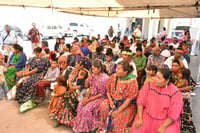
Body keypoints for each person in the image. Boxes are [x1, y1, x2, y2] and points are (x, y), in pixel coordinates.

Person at [130, 68, 183, 133]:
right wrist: (140, 118)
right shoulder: (149, 85)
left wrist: (163, 126)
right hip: (146, 116)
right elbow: (140, 102)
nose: (155, 79)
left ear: (167, 81)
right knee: (136, 129)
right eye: (156, 76)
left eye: (159, 78)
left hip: (165, 121)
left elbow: (174, 113)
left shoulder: (175, 93)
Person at [98, 61, 138, 132]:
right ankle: (105, 127)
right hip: (113, 100)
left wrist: (118, 111)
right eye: (116, 68)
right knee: (103, 106)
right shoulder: (114, 76)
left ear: (125, 72)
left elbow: (129, 99)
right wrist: (110, 101)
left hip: (126, 105)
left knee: (117, 120)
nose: (116, 70)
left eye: (119, 69)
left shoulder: (132, 81)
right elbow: (108, 90)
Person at [72, 60, 109, 132]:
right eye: (92, 69)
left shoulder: (105, 78)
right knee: (80, 104)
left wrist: (88, 100)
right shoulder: (93, 75)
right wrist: (86, 97)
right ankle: (80, 127)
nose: (92, 70)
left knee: (87, 110)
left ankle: (88, 128)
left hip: (100, 98)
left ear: (100, 69)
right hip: (92, 95)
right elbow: (91, 87)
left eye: (94, 69)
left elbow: (101, 94)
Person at [52, 60, 90, 127]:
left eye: (77, 64)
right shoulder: (75, 70)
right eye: (75, 64)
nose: (75, 66)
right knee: (61, 99)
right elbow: (70, 79)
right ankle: (59, 118)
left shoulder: (86, 73)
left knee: (69, 100)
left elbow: (84, 85)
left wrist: (74, 88)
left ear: (82, 66)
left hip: (79, 91)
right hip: (71, 88)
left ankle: (66, 120)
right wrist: (70, 86)